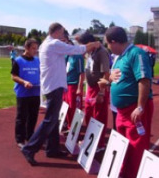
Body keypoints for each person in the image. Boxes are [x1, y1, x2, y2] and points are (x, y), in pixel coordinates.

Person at [21, 22, 101, 166]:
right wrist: (93, 44)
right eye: (63, 33)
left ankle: (52, 149)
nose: (64, 36)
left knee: (53, 119)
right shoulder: (53, 44)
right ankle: (30, 148)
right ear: (57, 32)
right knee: (50, 120)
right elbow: (77, 49)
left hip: (52, 86)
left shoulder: (48, 44)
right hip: (54, 86)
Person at [98, 26, 154, 178]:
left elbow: (144, 80)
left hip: (134, 109)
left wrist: (140, 107)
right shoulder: (120, 57)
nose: (108, 48)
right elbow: (117, 78)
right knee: (123, 144)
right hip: (122, 111)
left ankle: (134, 174)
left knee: (136, 145)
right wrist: (108, 80)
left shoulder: (136, 53)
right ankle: (124, 172)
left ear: (114, 42)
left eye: (108, 44)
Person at [78, 32, 110, 152]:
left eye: (83, 46)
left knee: (98, 117)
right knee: (89, 115)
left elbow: (106, 74)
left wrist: (101, 93)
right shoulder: (90, 52)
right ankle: (90, 140)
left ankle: (99, 144)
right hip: (90, 88)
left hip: (98, 88)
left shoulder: (101, 52)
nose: (83, 49)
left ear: (89, 43)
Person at [11, 39, 40, 149]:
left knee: (33, 116)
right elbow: (13, 76)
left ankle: (30, 136)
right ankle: (20, 139)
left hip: (35, 92)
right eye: (33, 48)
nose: (35, 51)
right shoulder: (18, 60)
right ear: (26, 48)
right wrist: (24, 82)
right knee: (21, 117)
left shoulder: (37, 60)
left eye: (36, 48)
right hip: (23, 93)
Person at [62, 30, 85, 130]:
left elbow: (82, 73)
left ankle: (74, 128)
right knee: (66, 106)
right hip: (65, 84)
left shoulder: (78, 56)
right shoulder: (67, 55)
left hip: (73, 85)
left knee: (73, 107)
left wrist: (79, 88)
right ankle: (67, 124)